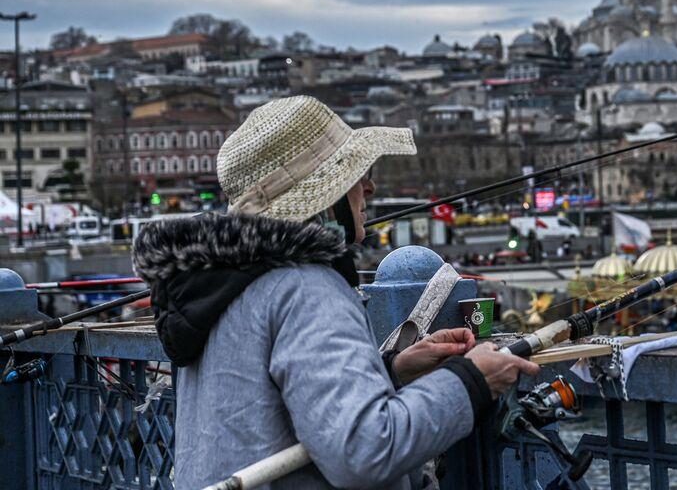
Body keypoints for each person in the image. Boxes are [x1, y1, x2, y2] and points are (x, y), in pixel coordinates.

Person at [132, 96, 538, 489]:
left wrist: (390, 372)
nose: (370, 187)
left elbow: (272, 411)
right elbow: (363, 453)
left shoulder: (217, 283)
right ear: (325, 199)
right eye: (355, 176)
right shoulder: (305, 288)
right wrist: (471, 382)